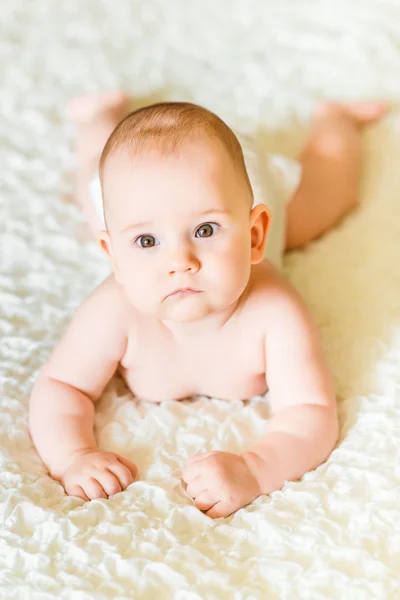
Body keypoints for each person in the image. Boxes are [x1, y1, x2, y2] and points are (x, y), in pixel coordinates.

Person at [28, 91, 387, 518]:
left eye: (205, 230)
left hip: (253, 181)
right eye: (146, 241)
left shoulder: (274, 312)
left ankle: (335, 119)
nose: (179, 262)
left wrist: (256, 469)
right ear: (114, 257)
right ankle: (99, 119)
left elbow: (311, 412)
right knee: (95, 190)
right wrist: (72, 456)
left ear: (254, 236)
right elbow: (61, 387)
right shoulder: (113, 311)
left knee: (329, 195)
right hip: (156, 189)